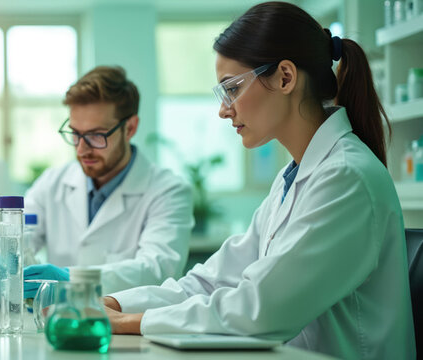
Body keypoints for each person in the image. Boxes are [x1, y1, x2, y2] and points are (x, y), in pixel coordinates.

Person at [102, 3, 413, 359]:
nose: (224, 109)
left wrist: (128, 321)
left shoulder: (346, 177)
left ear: (285, 77)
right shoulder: (292, 177)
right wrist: (110, 302)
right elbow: (213, 281)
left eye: (232, 89)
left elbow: (260, 310)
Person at [0, 66, 194, 297]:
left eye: (96, 135)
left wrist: (72, 280)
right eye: (75, 133)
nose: (82, 149)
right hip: (59, 325)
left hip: (128, 328)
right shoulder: (53, 183)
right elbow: (18, 233)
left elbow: (158, 270)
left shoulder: (168, 191)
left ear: (130, 128)